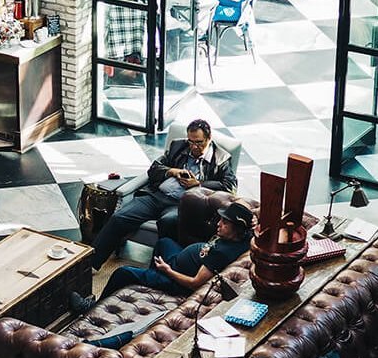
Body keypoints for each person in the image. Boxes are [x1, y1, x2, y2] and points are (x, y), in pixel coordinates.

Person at [88, 119, 238, 270]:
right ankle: (90, 265)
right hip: (156, 196)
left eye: (198, 142)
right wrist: (172, 171)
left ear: (209, 138)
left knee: (168, 222)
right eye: (191, 141)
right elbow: (154, 169)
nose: (193, 147)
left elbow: (229, 187)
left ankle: (157, 270)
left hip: (181, 204)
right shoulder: (178, 146)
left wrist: (198, 184)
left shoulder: (221, 158)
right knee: (119, 217)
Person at [76, 202, 253, 313]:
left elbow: (195, 284)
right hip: (178, 261)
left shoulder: (222, 253)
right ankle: (151, 279)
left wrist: (167, 270)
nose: (218, 224)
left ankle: (91, 308)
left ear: (237, 228)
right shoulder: (246, 237)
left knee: (122, 272)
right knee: (164, 242)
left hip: (177, 281)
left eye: (225, 223)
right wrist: (253, 220)